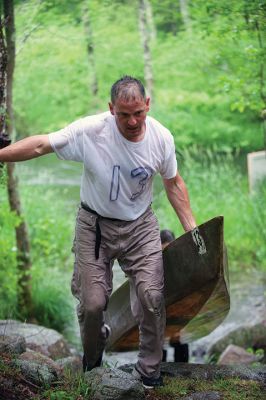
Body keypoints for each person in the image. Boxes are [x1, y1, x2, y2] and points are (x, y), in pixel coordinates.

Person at [0, 76, 198, 388]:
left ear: (147, 105)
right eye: (123, 114)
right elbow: (41, 145)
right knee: (92, 304)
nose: (132, 121)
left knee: (151, 295)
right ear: (111, 109)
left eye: (138, 113)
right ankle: (93, 357)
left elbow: (173, 184)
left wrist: (193, 232)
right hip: (95, 225)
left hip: (140, 225)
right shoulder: (90, 131)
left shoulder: (161, 138)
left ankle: (149, 370)